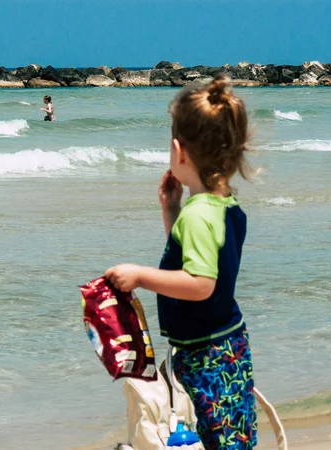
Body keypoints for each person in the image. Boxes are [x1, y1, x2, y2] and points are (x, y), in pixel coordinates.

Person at [105, 74, 257, 449]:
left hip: (206, 354)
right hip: (225, 343)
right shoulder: (223, 207)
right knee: (230, 433)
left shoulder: (199, 214)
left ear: (180, 150)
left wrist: (140, 276)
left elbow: (201, 283)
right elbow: (199, 259)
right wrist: (171, 211)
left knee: (215, 436)